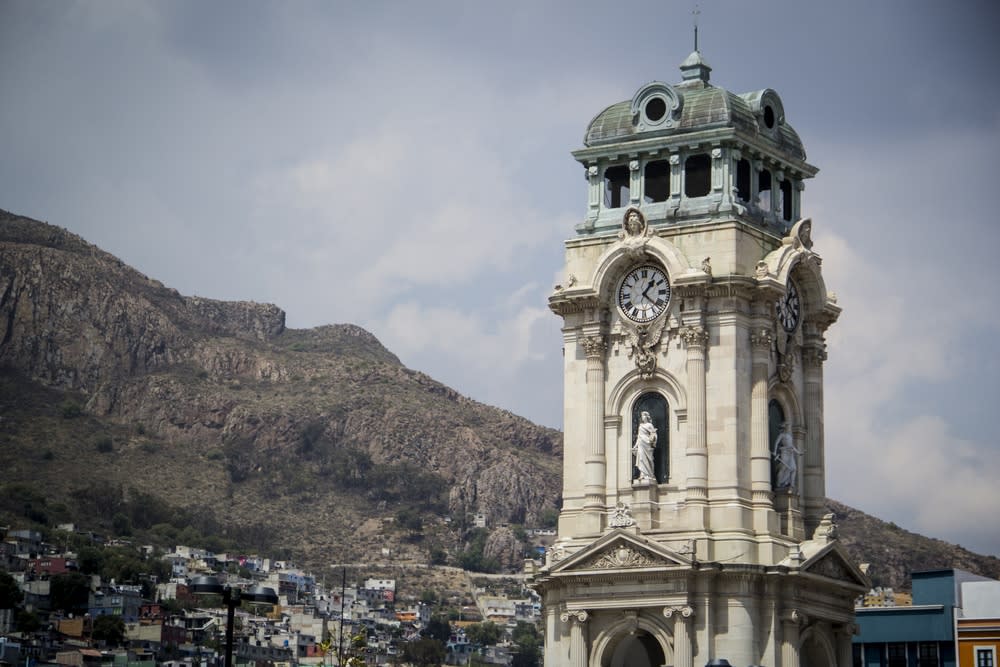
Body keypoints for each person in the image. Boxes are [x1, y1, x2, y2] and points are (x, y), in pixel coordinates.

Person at [772, 422, 802, 491]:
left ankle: (791, 484)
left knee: (793, 468)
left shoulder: (789, 436)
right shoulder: (781, 435)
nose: (785, 429)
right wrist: (775, 451)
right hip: (784, 452)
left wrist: (798, 452)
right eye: (784, 427)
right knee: (783, 468)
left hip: (790, 453)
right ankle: (779, 483)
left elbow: (792, 446)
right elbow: (776, 443)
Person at [633, 411, 657, 483]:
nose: (642, 417)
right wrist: (635, 446)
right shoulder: (640, 426)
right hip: (641, 443)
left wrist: (652, 440)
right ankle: (642, 474)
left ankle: (649, 474)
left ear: (646, 416)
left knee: (649, 459)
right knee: (641, 459)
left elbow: (654, 434)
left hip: (647, 443)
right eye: (642, 416)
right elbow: (638, 437)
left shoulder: (649, 425)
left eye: (643, 415)